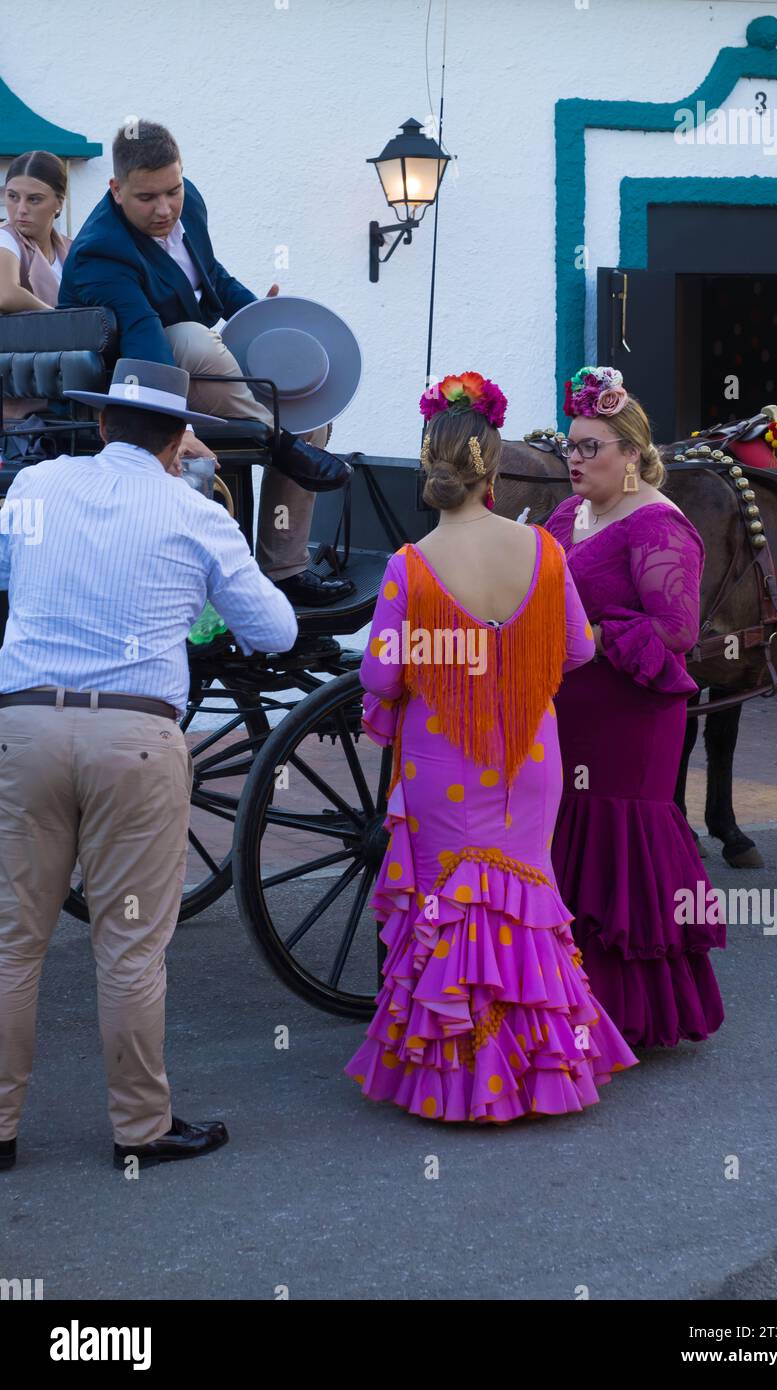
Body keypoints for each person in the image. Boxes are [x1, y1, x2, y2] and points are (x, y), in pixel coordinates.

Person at [0, 357, 298, 1172]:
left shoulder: (34, 489)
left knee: (10, 941)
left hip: (23, 727)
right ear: (179, 438)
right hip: (134, 739)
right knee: (131, 946)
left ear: (101, 425)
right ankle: (141, 1126)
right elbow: (273, 631)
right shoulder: (192, 512)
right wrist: (198, 491)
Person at [344, 371, 638, 1122]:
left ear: (430, 471)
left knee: (451, 909)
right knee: (527, 908)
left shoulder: (409, 568)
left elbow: (380, 669)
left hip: (441, 759)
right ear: (493, 468)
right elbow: (576, 651)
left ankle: (457, 1075)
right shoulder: (542, 551)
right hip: (528, 756)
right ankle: (541, 1067)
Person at [59, 120, 353, 606]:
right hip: (138, 379)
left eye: (172, 191)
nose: (165, 209)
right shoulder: (99, 252)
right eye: (147, 198)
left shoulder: (188, 201)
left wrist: (261, 315)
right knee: (192, 338)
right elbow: (144, 335)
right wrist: (175, 425)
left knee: (310, 420)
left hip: (202, 369)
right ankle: (279, 439)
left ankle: (284, 569)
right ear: (115, 190)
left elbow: (209, 277)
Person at [545, 366, 725, 1049]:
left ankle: (633, 1015)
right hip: (570, 711)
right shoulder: (569, 514)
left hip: (631, 714)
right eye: (571, 445)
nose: (575, 458)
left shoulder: (656, 522)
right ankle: (570, 1003)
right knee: (572, 840)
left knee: (620, 845)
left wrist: (591, 636)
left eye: (591, 447)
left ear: (631, 454)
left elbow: (677, 629)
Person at [0, 150, 71, 312]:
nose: (21, 209)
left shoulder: (71, 249)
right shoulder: (4, 237)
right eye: (13, 197)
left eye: (34, 199)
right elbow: (5, 294)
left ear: (59, 202)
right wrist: (62, 320)